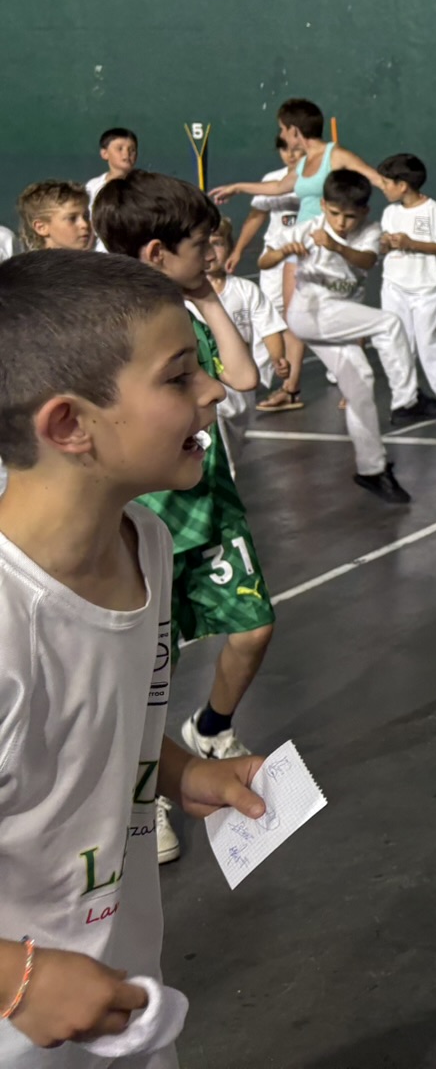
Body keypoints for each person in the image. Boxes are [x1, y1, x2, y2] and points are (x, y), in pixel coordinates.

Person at [0, 251, 268, 1064]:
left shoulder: (144, 540)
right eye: (180, 376)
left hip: (120, 993)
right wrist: (17, 980)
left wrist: (181, 773)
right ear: (70, 426)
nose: (213, 390)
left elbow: (98, 724)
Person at [93, 173, 279, 865]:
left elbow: (244, 379)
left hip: (209, 503)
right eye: (201, 245)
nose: (213, 253)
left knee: (254, 627)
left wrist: (205, 295)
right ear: (154, 253)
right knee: (148, 670)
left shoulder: (188, 314)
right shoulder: (109, 330)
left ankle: (210, 728)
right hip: (146, 516)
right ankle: (150, 795)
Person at [266, 170, 424, 503]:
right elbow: (264, 259)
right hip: (310, 313)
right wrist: (281, 254)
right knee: (389, 324)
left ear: (363, 212)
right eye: (335, 213)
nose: (341, 222)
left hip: (336, 316)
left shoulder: (370, 231)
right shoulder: (307, 228)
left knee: (360, 382)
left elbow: (366, 260)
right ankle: (407, 401)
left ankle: (372, 469)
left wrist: (336, 246)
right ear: (323, 205)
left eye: (349, 216)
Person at [207, 98, 405, 319]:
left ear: (294, 131)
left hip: (328, 249)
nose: (282, 135)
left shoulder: (336, 155)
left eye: (283, 129)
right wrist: (237, 188)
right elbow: (278, 187)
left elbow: (378, 181)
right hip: (300, 246)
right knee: (292, 318)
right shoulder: (304, 163)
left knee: (336, 320)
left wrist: (403, 211)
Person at [376, 153, 436, 423]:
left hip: (425, 289)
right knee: (397, 344)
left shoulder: (432, 209)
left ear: (402, 185)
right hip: (394, 286)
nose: (382, 188)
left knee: (429, 344)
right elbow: (382, 247)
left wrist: (411, 243)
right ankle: (405, 401)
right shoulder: (390, 213)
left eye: (386, 183)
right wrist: (385, 243)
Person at [225, 135, 308, 413]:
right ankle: (261, 380)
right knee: (267, 319)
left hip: (306, 258)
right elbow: (257, 216)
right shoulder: (272, 179)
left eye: (297, 149)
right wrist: (238, 251)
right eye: (285, 149)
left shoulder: (315, 180)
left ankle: (337, 378)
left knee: (303, 320)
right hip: (274, 259)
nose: (291, 155)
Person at [205, 214, 290, 468]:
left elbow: (270, 328)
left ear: (230, 248)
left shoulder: (245, 290)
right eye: (202, 245)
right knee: (220, 457)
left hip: (241, 393)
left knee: (234, 446)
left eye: (217, 243)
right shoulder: (182, 296)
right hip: (208, 390)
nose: (210, 252)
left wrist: (278, 357)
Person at [83, 127, 138, 251]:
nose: (126, 155)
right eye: (119, 149)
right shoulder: (93, 186)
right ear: (104, 153)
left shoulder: (144, 186)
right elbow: (89, 223)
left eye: (132, 150)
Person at [15, 181, 94, 253]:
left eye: (86, 216)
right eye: (72, 218)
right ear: (41, 227)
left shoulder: (96, 262)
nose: (85, 224)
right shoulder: (30, 264)